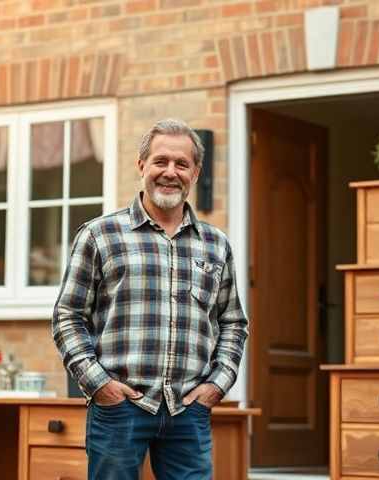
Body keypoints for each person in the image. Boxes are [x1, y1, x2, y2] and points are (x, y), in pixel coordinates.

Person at [52, 118, 248, 480]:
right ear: (142, 165)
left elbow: (233, 322)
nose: (170, 172)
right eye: (160, 161)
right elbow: (68, 316)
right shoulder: (100, 235)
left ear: (195, 172)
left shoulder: (215, 244)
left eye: (181, 164)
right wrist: (99, 384)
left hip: (188, 411)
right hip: (119, 409)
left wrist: (218, 384)